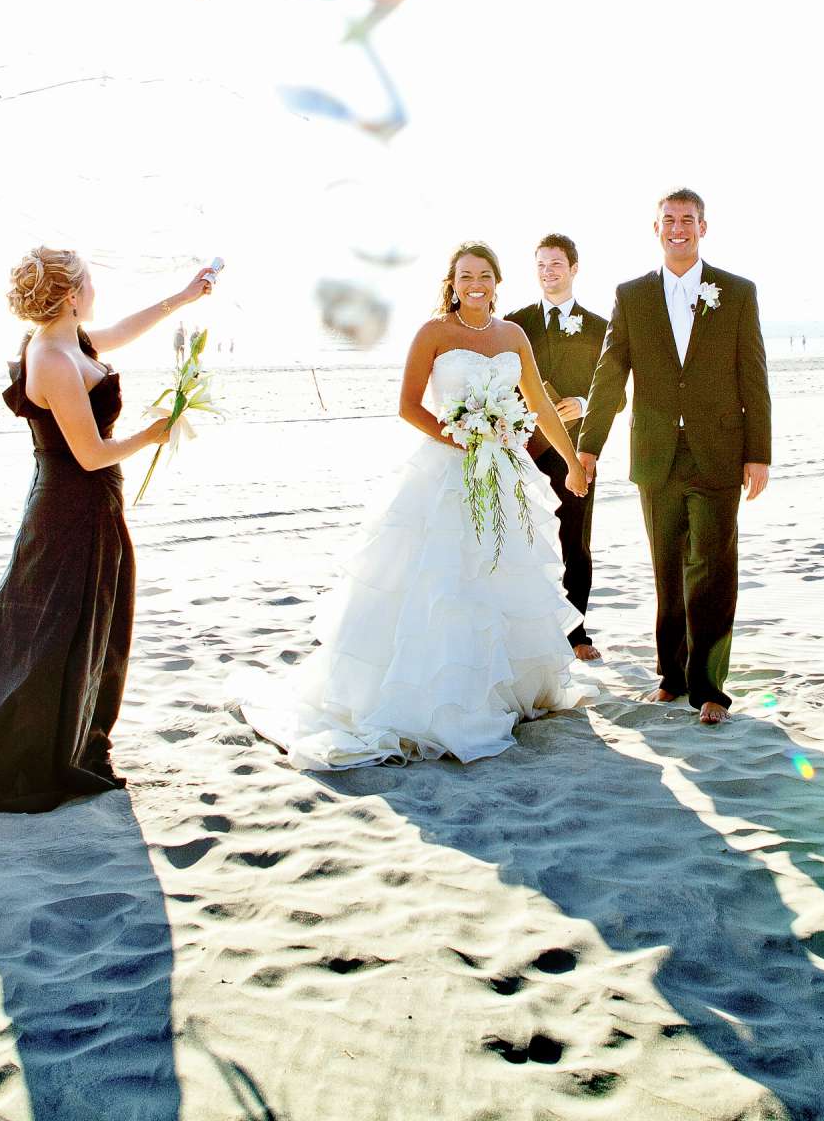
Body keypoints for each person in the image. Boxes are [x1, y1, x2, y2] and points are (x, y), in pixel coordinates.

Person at [235, 242, 595, 768]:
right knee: (444, 583)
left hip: (500, 469)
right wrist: (462, 438)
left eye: (485, 275)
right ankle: (438, 699)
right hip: (445, 472)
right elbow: (408, 406)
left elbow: (537, 403)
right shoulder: (432, 333)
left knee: (499, 578)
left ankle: (499, 693)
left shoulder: (512, 335)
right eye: (466, 275)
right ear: (452, 282)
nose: (476, 283)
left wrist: (571, 463)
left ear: (498, 282)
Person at [0, 250, 208, 814]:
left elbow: (117, 333)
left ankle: (78, 736)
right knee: (53, 633)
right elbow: (89, 454)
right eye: (89, 283)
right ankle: (37, 749)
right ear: (70, 296)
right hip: (71, 507)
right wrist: (154, 433)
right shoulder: (53, 360)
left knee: (93, 626)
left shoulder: (68, 341)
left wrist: (181, 298)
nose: (95, 291)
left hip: (87, 504)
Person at [579, 190, 773, 724]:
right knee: (667, 568)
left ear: (703, 228)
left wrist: (758, 452)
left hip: (719, 451)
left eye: (687, 220)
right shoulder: (632, 294)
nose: (678, 228)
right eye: (669, 220)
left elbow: (752, 375)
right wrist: (589, 444)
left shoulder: (735, 292)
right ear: (656, 228)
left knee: (712, 568)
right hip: (656, 451)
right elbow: (610, 372)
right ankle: (672, 677)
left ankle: (710, 689)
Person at [506, 234, 606, 662]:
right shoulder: (514, 322)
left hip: (574, 449)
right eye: (542, 265)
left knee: (575, 540)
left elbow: (614, 392)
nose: (549, 272)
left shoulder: (601, 326)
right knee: (519, 537)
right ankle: (521, 628)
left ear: (574, 268)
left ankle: (576, 633)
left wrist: (582, 403)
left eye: (557, 264)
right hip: (522, 446)